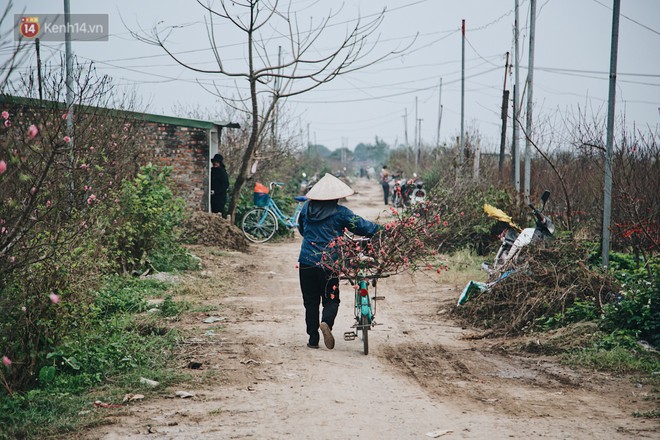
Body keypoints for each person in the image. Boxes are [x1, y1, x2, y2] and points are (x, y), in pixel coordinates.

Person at [297, 173, 380, 349]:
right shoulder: (340, 213)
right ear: (336, 196)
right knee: (331, 299)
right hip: (329, 263)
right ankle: (326, 322)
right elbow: (362, 226)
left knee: (310, 301)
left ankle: (313, 339)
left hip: (306, 261)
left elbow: (301, 228)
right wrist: (379, 230)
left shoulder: (306, 208)